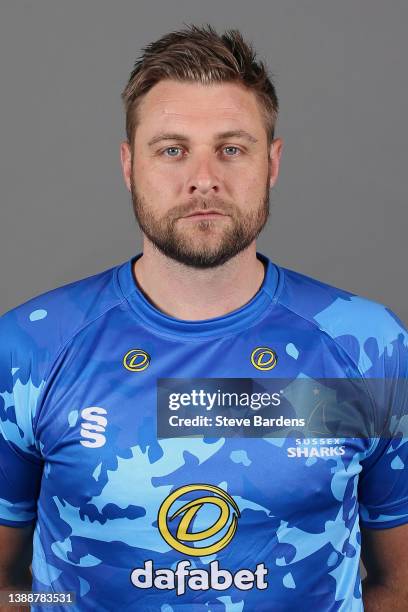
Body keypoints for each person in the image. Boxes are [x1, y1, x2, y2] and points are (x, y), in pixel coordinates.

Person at [0, 23, 407, 612]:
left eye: (232, 148)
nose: (203, 178)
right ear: (128, 165)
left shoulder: (369, 348)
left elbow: (401, 582)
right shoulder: (29, 348)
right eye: (171, 149)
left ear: (272, 161)